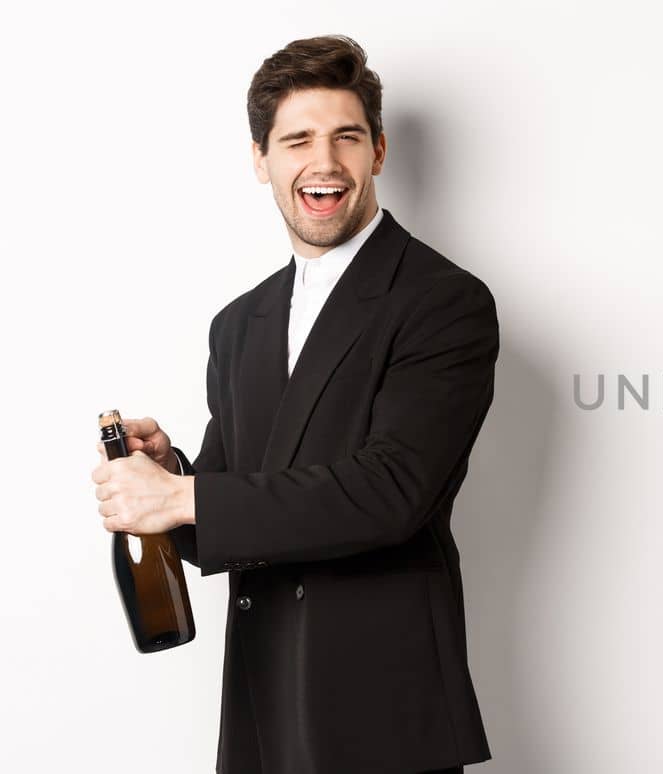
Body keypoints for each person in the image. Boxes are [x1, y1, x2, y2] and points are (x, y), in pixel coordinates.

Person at [89, 35, 495, 774]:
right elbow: (222, 520)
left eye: (345, 137)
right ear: (260, 159)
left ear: (377, 151)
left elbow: (391, 493)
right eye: (297, 139)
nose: (324, 161)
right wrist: (170, 479)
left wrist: (187, 496)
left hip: (382, 715)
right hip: (262, 705)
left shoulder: (444, 302)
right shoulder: (239, 322)